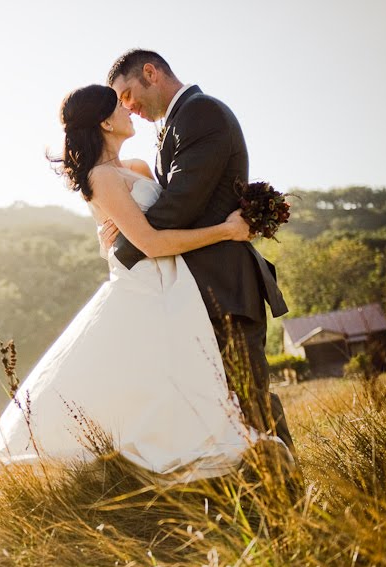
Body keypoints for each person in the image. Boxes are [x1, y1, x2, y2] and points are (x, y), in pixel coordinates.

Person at [0, 83, 286, 482]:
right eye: (120, 106)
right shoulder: (100, 177)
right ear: (105, 121)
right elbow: (152, 243)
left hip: (175, 286)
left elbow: (161, 218)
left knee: (189, 386)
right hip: (146, 289)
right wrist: (227, 232)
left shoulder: (138, 167)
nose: (129, 110)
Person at [104, 49, 292, 450]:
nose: (128, 107)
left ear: (151, 73)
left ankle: (291, 501)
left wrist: (123, 245)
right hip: (196, 290)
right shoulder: (176, 123)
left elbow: (182, 203)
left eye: (126, 95)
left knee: (251, 403)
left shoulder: (200, 114)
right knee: (221, 411)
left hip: (224, 286)